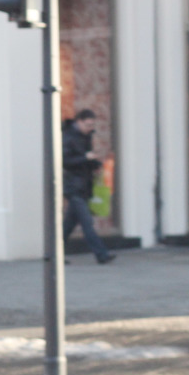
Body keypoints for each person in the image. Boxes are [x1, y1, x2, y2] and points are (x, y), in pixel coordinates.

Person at [63, 109, 115, 264]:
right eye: (87, 125)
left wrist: (96, 164)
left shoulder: (85, 136)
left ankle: (55, 254)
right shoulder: (68, 136)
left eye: (92, 125)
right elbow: (65, 161)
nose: (90, 128)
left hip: (83, 185)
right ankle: (101, 254)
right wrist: (85, 157)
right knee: (87, 222)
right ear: (78, 121)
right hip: (73, 186)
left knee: (68, 225)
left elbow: (84, 159)